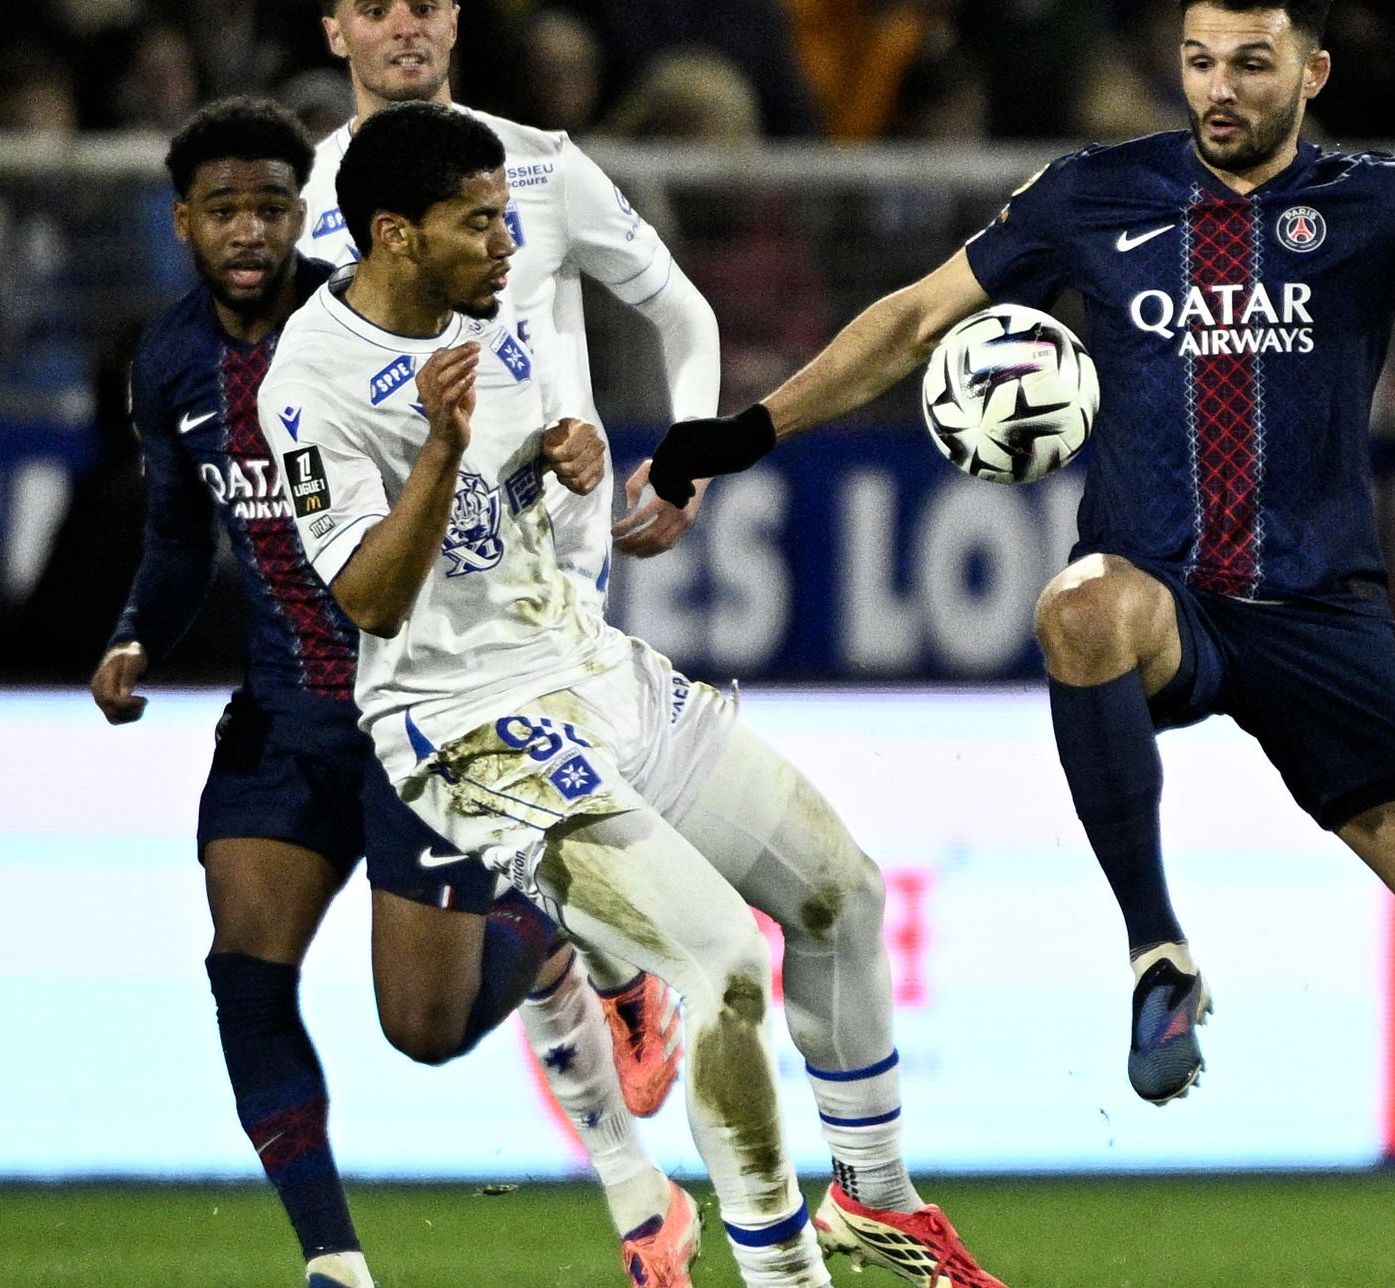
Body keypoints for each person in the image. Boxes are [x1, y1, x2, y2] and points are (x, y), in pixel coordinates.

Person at [641, 2, 1395, 1284]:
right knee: (1078, 609)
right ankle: (1158, 948)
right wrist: (738, 438)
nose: (1221, 88)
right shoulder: (1095, 195)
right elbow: (912, 322)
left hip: (1324, 620)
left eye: (1252, 63)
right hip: (1164, 599)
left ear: (1313, 69)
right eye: (1200, 62)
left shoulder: (1376, 201)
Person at [265, 100, 1007, 1288]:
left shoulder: (488, 313)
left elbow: (504, 503)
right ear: (395, 236)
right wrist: (447, 452)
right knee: (722, 968)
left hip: (587, 665)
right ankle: (779, 1273)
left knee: (842, 895)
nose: (511, 247)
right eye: (481, 226)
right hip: (471, 729)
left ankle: (874, 1199)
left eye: (509, 217)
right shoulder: (310, 384)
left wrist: (558, 460)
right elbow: (370, 597)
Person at [88, 99, 686, 1288]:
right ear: (184, 225)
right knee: (242, 966)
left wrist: (570, 452)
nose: (251, 230)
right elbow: (174, 533)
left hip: (417, 702)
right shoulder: (167, 361)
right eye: (224, 210)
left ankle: (557, 929)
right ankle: (334, 1261)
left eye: (271, 204)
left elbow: (516, 411)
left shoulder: (364, 319)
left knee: (422, 1028)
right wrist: (135, 633)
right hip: (285, 709)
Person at [298, 0, 726, 572]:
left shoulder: (543, 165)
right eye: (375, 11)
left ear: (453, 21)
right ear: (336, 35)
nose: (405, 28)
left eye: (424, 7)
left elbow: (683, 313)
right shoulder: (298, 200)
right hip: (381, 559)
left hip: (549, 562)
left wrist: (691, 454)